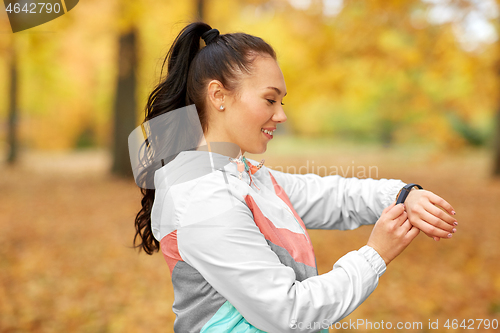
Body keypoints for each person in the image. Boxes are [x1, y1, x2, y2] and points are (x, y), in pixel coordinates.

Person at [132, 22, 458, 333]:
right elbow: (288, 312)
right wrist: (375, 255)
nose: (281, 115)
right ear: (218, 96)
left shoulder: (244, 177)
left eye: (281, 102)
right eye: (270, 99)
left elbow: (333, 195)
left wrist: (403, 195)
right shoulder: (202, 196)